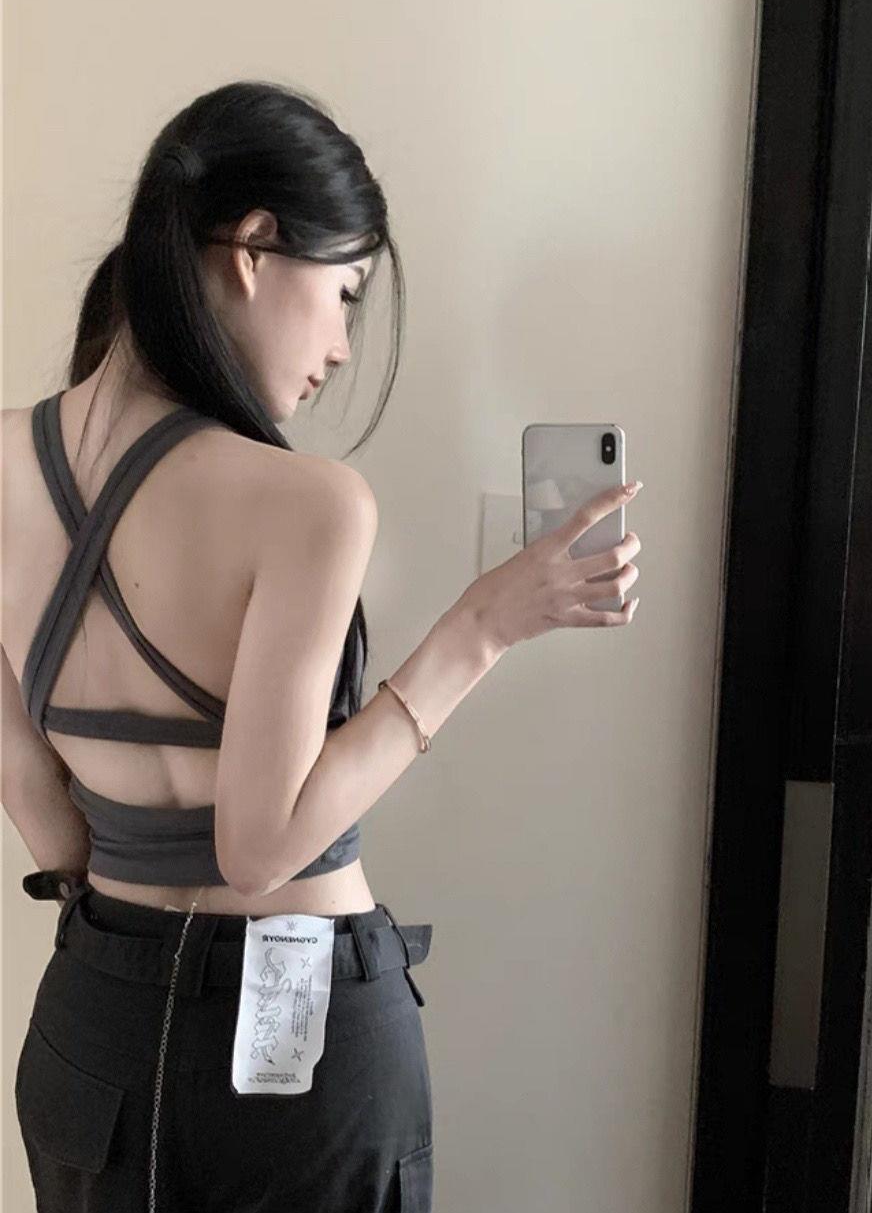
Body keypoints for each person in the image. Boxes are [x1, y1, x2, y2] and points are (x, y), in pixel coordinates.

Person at [1, 78, 642, 1213]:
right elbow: (259, 849)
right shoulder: (309, 502)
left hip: (95, 1025)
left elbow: (52, 828)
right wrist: (484, 625)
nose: (342, 346)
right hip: (296, 1066)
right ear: (254, 248)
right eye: (344, 291)